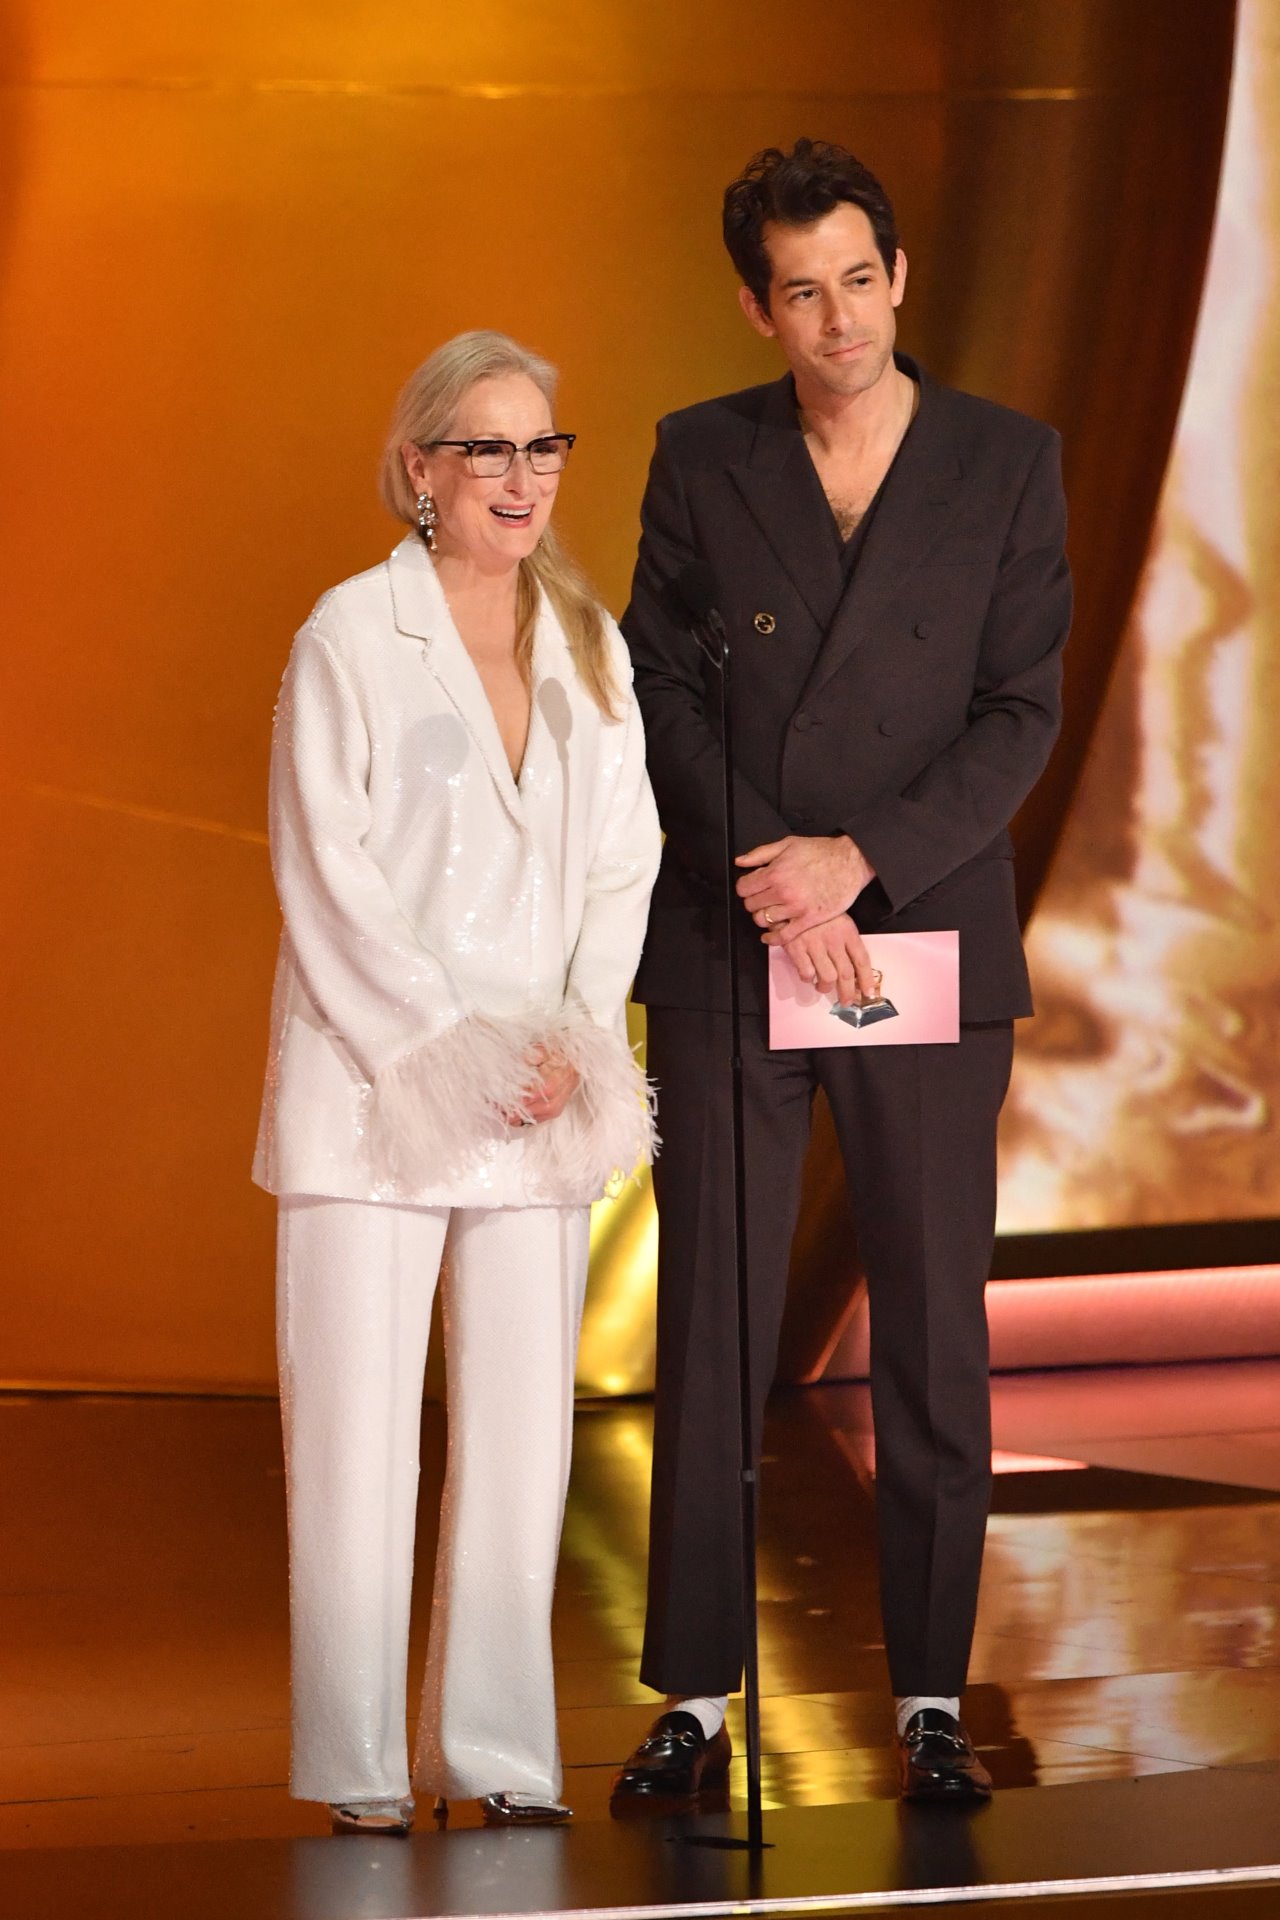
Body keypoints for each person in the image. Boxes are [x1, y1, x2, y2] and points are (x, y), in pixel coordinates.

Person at [612, 140, 1071, 1806]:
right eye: (798, 291)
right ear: (758, 303)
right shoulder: (698, 454)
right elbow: (653, 689)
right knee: (716, 1318)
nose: (836, 318)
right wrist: (773, 876)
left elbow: (1021, 712)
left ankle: (935, 1698)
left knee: (935, 1328)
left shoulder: (1007, 463)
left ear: (900, 279)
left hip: (920, 925)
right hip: (737, 938)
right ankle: (698, 1698)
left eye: (857, 279)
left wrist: (855, 863)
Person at [253, 331, 661, 1832]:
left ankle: (498, 1755)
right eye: (487, 448)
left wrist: (568, 1031)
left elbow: (627, 855)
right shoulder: (349, 636)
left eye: (543, 447)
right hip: (378, 1097)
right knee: (356, 1448)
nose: (521, 478)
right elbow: (323, 867)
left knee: (522, 1449)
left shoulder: (590, 643)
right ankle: (360, 1770)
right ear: (421, 468)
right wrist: (449, 1050)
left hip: (542, 1100)